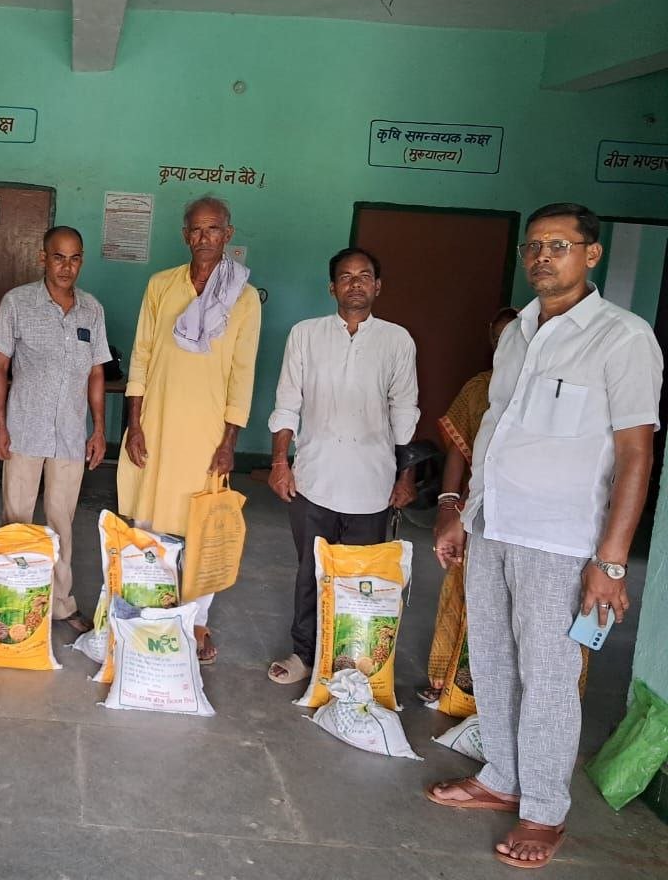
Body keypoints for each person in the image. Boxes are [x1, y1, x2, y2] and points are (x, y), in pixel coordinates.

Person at [429, 203, 663, 869]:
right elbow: (496, 433)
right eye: (534, 246)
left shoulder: (623, 337)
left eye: (558, 246)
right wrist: (462, 512)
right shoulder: (518, 331)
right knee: (495, 665)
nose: (541, 257)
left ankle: (544, 811)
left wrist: (612, 561)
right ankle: (500, 776)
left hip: (561, 541)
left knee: (550, 676)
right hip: (493, 526)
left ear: (591, 255)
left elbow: (636, 455)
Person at [116, 195, 262, 665]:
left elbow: (243, 373)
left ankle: (195, 621)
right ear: (185, 236)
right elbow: (140, 355)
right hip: (156, 425)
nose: (204, 239)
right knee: (151, 524)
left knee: (201, 532)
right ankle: (148, 613)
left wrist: (229, 442)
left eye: (213, 230)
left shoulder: (242, 298)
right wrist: (134, 423)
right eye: (196, 231)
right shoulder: (161, 286)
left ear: (228, 234)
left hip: (205, 435)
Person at [267, 246, 419, 685]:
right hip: (313, 478)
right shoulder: (306, 334)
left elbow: (404, 411)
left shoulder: (396, 340)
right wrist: (281, 462)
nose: (355, 283)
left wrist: (405, 475)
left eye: (364, 276)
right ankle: (304, 654)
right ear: (332, 287)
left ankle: (352, 666)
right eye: (346, 277)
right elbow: (287, 403)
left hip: (373, 483)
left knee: (361, 581)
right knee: (312, 574)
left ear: (377, 286)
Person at [0, 226, 110, 634]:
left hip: (71, 435)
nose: (66, 266)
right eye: (59, 257)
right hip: (23, 429)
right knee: (17, 518)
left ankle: (60, 603)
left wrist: (98, 429)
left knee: (61, 521)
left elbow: (96, 372)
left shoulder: (91, 309)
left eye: (75, 258)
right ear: (43, 258)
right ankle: (12, 598)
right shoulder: (17, 303)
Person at [420, 306, 518, 703]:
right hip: (476, 508)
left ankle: (498, 697)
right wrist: (448, 505)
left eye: (514, 338)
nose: (505, 346)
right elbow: (458, 450)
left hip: (523, 516)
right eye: (499, 339)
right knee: (463, 590)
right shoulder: (480, 388)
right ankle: (449, 681)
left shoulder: (540, 391)